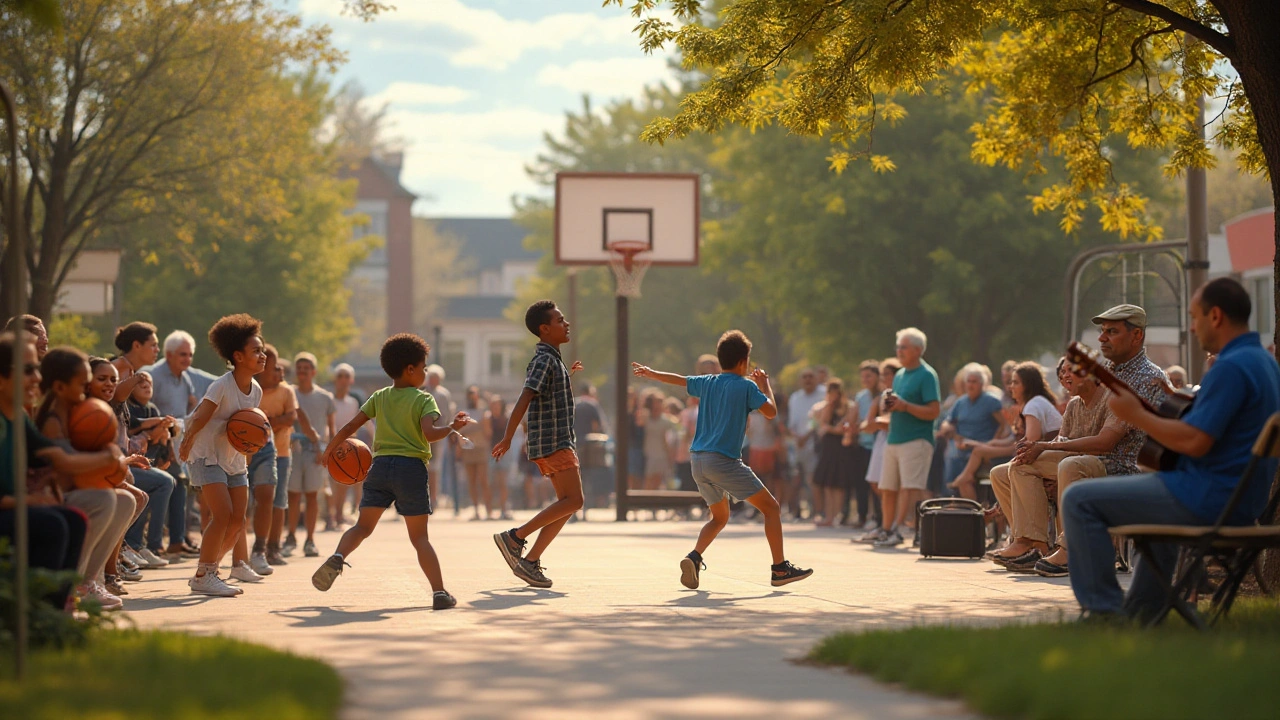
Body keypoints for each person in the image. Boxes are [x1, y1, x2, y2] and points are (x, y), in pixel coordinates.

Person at [1064, 278, 1280, 622]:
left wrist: (1136, 415)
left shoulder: (1231, 367)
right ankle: (1144, 611)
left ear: (1216, 316)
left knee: (1078, 500)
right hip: (1242, 499)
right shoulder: (1265, 364)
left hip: (1210, 496)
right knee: (1151, 514)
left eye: (1195, 317)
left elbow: (1195, 441)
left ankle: (1103, 613)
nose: (1192, 327)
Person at [633, 330, 813, 589]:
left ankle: (693, 558)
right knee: (771, 508)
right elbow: (771, 412)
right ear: (743, 361)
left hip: (698, 461)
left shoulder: (708, 381)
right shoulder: (747, 386)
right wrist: (765, 385)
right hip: (723, 462)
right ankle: (780, 569)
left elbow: (680, 379)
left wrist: (652, 373)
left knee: (719, 517)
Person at [312, 333, 469, 610]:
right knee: (420, 538)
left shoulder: (380, 397)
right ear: (410, 369)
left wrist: (329, 450)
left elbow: (350, 428)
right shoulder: (424, 400)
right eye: (423, 367)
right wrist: (453, 427)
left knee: (362, 526)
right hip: (410, 469)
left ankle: (338, 556)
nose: (424, 372)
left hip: (380, 467)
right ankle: (439, 593)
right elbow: (430, 434)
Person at [22, 342, 129, 610]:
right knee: (103, 499)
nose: (87, 390)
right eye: (83, 384)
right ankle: (72, 585)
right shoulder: (50, 421)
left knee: (125, 500)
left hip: (62, 492)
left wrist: (110, 460)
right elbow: (65, 469)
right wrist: (107, 458)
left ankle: (89, 580)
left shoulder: (76, 414)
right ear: (59, 387)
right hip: (45, 495)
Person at [987, 359, 1116, 573]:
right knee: (1015, 467)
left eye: (1071, 371)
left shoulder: (1111, 399)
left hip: (1104, 463)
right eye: (1062, 372)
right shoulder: (1074, 404)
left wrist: (1042, 451)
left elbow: (1103, 444)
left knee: (1067, 465)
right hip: (1072, 460)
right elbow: (1060, 443)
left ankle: (1066, 547)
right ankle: (1031, 542)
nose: (1065, 376)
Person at [492, 300, 585, 588]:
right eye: (559, 320)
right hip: (554, 442)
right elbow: (525, 396)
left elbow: (548, 392)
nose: (565, 323)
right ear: (544, 329)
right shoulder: (544, 360)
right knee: (575, 501)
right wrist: (508, 436)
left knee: (566, 504)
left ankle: (530, 562)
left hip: (554, 440)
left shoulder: (552, 360)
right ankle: (515, 537)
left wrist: (567, 373)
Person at [178, 314, 268, 596]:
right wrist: (186, 443)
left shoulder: (256, 390)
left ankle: (208, 571)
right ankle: (206, 573)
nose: (263, 355)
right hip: (206, 455)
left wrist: (250, 451)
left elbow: (247, 428)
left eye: (262, 349)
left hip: (233, 458)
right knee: (223, 514)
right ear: (238, 357)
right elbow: (199, 418)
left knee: (239, 520)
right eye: (257, 351)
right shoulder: (221, 385)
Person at [871, 328, 942, 548]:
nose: (899, 350)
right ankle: (886, 529)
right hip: (894, 438)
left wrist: (905, 406)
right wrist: (889, 404)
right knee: (888, 488)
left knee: (909, 487)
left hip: (916, 439)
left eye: (904, 347)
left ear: (918, 350)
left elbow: (933, 411)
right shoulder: (900, 374)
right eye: (898, 346)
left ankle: (899, 529)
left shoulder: (927, 375)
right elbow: (896, 406)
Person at [145, 330, 199, 558]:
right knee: (159, 489)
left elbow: (188, 409)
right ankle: (150, 544)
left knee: (181, 488)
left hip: (176, 441)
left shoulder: (184, 378)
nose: (187, 359)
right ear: (168, 354)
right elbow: (143, 409)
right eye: (182, 354)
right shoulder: (153, 375)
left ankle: (177, 540)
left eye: (189, 355)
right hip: (153, 443)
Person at [287, 352, 335, 557]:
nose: (303, 372)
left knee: (313, 496)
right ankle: (290, 537)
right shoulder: (289, 393)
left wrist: (328, 452)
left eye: (306, 369)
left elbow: (331, 430)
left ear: (313, 372)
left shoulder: (325, 397)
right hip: (293, 450)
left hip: (316, 452)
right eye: (299, 369)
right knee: (293, 495)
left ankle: (310, 539)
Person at [938, 364, 1007, 500]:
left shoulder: (991, 401)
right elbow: (948, 420)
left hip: (981, 444)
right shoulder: (961, 402)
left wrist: (994, 441)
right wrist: (947, 427)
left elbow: (1004, 424)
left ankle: (969, 508)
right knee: (951, 455)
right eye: (968, 381)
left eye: (974, 382)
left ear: (982, 384)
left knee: (960, 461)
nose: (970, 385)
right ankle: (951, 498)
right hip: (961, 444)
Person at [811, 379, 856, 527]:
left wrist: (833, 428)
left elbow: (843, 426)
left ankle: (837, 516)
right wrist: (829, 408)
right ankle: (828, 516)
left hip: (841, 448)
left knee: (839, 484)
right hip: (828, 447)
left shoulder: (849, 406)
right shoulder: (826, 407)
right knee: (827, 483)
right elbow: (824, 424)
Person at [846, 360, 881, 528]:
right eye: (863, 376)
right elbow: (855, 419)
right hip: (863, 445)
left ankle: (879, 518)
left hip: (879, 445)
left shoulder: (884, 395)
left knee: (878, 485)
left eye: (869, 375)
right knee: (862, 483)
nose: (866, 379)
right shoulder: (861, 396)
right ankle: (862, 516)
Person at [330, 363, 365, 526]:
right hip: (330, 446)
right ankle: (332, 516)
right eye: (340, 376)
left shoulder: (353, 403)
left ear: (351, 380)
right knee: (331, 486)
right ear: (335, 379)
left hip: (349, 448)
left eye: (346, 376)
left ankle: (340, 515)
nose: (343, 380)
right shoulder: (328, 400)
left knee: (346, 482)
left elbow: (366, 422)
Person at [786, 368, 824, 520]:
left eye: (811, 376)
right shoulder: (795, 398)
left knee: (815, 480)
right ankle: (796, 512)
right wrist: (797, 437)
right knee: (795, 480)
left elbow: (817, 421)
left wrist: (806, 436)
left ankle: (819, 511)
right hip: (798, 445)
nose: (808, 380)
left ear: (816, 378)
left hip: (817, 444)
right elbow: (791, 423)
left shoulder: (823, 394)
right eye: (804, 377)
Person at [459, 385, 493, 520]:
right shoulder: (464, 413)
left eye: (475, 394)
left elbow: (488, 432)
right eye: (470, 394)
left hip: (481, 448)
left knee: (483, 480)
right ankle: (476, 510)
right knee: (471, 481)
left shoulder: (483, 412)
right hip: (468, 449)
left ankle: (489, 511)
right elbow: (459, 432)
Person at [424, 365, 454, 507]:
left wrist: (447, 432)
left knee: (435, 468)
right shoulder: (422, 393)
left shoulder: (443, 394)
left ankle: (434, 499)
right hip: (423, 434)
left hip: (439, 433)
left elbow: (447, 415)